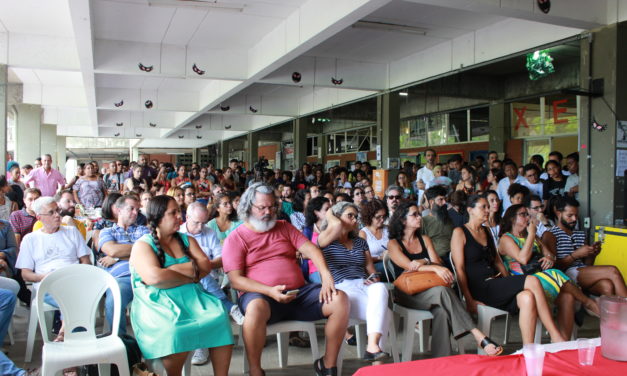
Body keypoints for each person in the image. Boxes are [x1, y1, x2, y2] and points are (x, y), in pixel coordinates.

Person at [222, 183, 349, 376]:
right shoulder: (236, 237)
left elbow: (312, 250)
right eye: (262, 207)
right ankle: (255, 370)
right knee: (255, 309)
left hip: (298, 294)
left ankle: (327, 364)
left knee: (339, 299)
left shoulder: (284, 227)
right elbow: (236, 280)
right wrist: (269, 291)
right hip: (262, 298)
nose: (268, 211)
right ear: (248, 207)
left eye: (272, 206)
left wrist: (326, 276)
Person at [129, 195, 233, 376]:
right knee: (174, 329)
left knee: (219, 316)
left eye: (179, 211)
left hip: (193, 297)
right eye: (173, 213)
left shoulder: (186, 240)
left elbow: (205, 267)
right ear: (158, 218)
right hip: (156, 303)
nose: (180, 216)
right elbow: (155, 278)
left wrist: (170, 270)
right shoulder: (143, 245)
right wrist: (189, 271)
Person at [388, 201, 503, 357]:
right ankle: (478, 335)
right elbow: (409, 266)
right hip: (406, 294)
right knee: (442, 291)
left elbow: (437, 262)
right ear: (402, 220)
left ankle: (442, 358)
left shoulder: (425, 239)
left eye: (419, 213)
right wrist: (433, 267)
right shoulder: (393, 244)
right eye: (414, 214)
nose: (419, 217)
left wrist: (425, 261)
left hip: (430, 291)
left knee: (441, 310)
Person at [451, 195, 567, 344]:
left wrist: (508, 281)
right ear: (470, 210)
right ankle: (555, 335)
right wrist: (469, 300)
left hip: (496, 284)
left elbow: (497, 261)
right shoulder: (459, 232)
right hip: (480, 288)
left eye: (488, 207)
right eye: (483, 207)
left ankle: (528, 349)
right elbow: (459, 269)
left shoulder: (486, 231)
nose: (488, 210)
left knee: (527, 297)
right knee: (532, 280)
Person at [498, 204, 599, 339]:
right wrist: (532, 234)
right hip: (523, 282)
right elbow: (523, 258)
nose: (528, 217)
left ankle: (562, 343)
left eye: (528, 214)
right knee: (555, 273)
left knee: (567, 297)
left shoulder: (532, 236)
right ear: (512, 219)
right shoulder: (507, 239)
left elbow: (551, 256)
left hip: (544, 279)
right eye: (523, 215)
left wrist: (548, 258)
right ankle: (588, 302)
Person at [317, 202, 391, 361]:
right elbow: (333, 227)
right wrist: (332, 217)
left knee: (380, 288)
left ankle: (372, 347)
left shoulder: (360, 242)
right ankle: (377, 363)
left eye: (355, 217)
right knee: (386, 313)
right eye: (350, 215)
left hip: (363, 284)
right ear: (337, 218)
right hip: (341, 289)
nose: (354, 219)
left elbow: (371, 269)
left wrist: (374, 278)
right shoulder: (325, 241)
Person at [16, 196, 92, 340]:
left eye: (57, 210)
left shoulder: (72, 232)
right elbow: (25, 275)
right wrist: (46, 277)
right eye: (51, 212)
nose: (57, 215)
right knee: (77, 299)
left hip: (74, 280)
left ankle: (64, 335)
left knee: (77, 293)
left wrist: (79, 276)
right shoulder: (31, 239)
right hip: (48, 284)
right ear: (39, 217)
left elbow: (86, 261)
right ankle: (70, 339)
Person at [180, 202, 244, 365]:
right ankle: (231, 307)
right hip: (183, 280)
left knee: (202, 278)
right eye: (197, 222)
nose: (200, 227)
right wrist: (200, 266)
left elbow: (221, 258)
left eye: (204, 222)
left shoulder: (208, 232)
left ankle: (202, 347)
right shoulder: (178, 233)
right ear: (187, 217)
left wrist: (202, 266)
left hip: (206, 276)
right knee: (200, 280)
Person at [543, 196, 627, 297]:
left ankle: (609, 312)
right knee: (612, 271)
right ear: (558, 213)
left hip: (581, 273)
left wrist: (592, 254)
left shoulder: (580, 234)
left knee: (607, 286)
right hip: (564, 276)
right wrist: (575, 255)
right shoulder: (550, 234)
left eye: (576, 215)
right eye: (570, 215)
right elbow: (553, 267)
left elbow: (587, 265)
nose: (574, 219)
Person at [98, 195, 149, 334]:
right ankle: (120, 342)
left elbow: (151, 250)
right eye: (131, 209)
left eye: (137, 210)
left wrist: (116, 258)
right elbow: (112, 250)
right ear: (118, 210)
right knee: (114, 300)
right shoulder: (107, 231)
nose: (135, 213)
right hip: (122, 278)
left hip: (146, 276)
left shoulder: (143, 230)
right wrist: (138, 249)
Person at [421, 186, 454, 266]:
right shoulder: (423, 221)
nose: (444, 202)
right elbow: (421, 247)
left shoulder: (448, 218)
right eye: (440, 199)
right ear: (432, 202)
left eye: (445, 199)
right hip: (437, 259)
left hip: (454, 255)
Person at [358, 199, 389, 280]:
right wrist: (380, 258)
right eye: (378, 217)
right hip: (374, 266)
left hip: (391, 262)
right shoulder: (363, 233)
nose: (382, 220)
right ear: (370, 216)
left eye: (384, 216)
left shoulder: (388, 229)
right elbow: (362, 258)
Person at [303, 197, 331, 284]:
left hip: (335, 267)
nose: (331, 212)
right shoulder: (308, 231)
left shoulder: (333, 229)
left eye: (331, 208)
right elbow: (304, 255)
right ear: (316, 213)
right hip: (316, 269)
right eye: (327, 209)